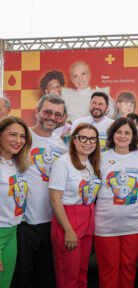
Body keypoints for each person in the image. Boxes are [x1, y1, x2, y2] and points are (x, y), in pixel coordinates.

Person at [12, 94, 68, 288]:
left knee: (46, 278)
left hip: (52, 223)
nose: (52, 117)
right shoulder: (22, 137)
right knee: (21, 278)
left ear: (62, 118)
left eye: (57, 114)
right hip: (23, 223)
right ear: (37, 112)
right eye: (47, 111)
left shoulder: (62, 146)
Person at [94, 117, 138, 288]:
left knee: (129, 266)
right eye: (118, 132)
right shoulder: (100, 157)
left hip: (134, 223)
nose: (122, 136)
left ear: (133, 136)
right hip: (105, 223)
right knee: (108, 267)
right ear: (112, 134)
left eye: (127, 132)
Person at [49, 123, 101, 288]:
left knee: (81, 272)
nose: (88, 142)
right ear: (74, 140)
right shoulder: (63, 163)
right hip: (69, 219)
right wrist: (68, 230)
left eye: (92, 139)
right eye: (83, 137)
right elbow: (55, 199)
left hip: (88, 216)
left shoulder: (91, 163)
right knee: (68, 276)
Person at [0, 116, 31, 288]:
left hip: (12, 232)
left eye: (22, 136)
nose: (18, 141)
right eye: (12, 135)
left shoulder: (15, 163)